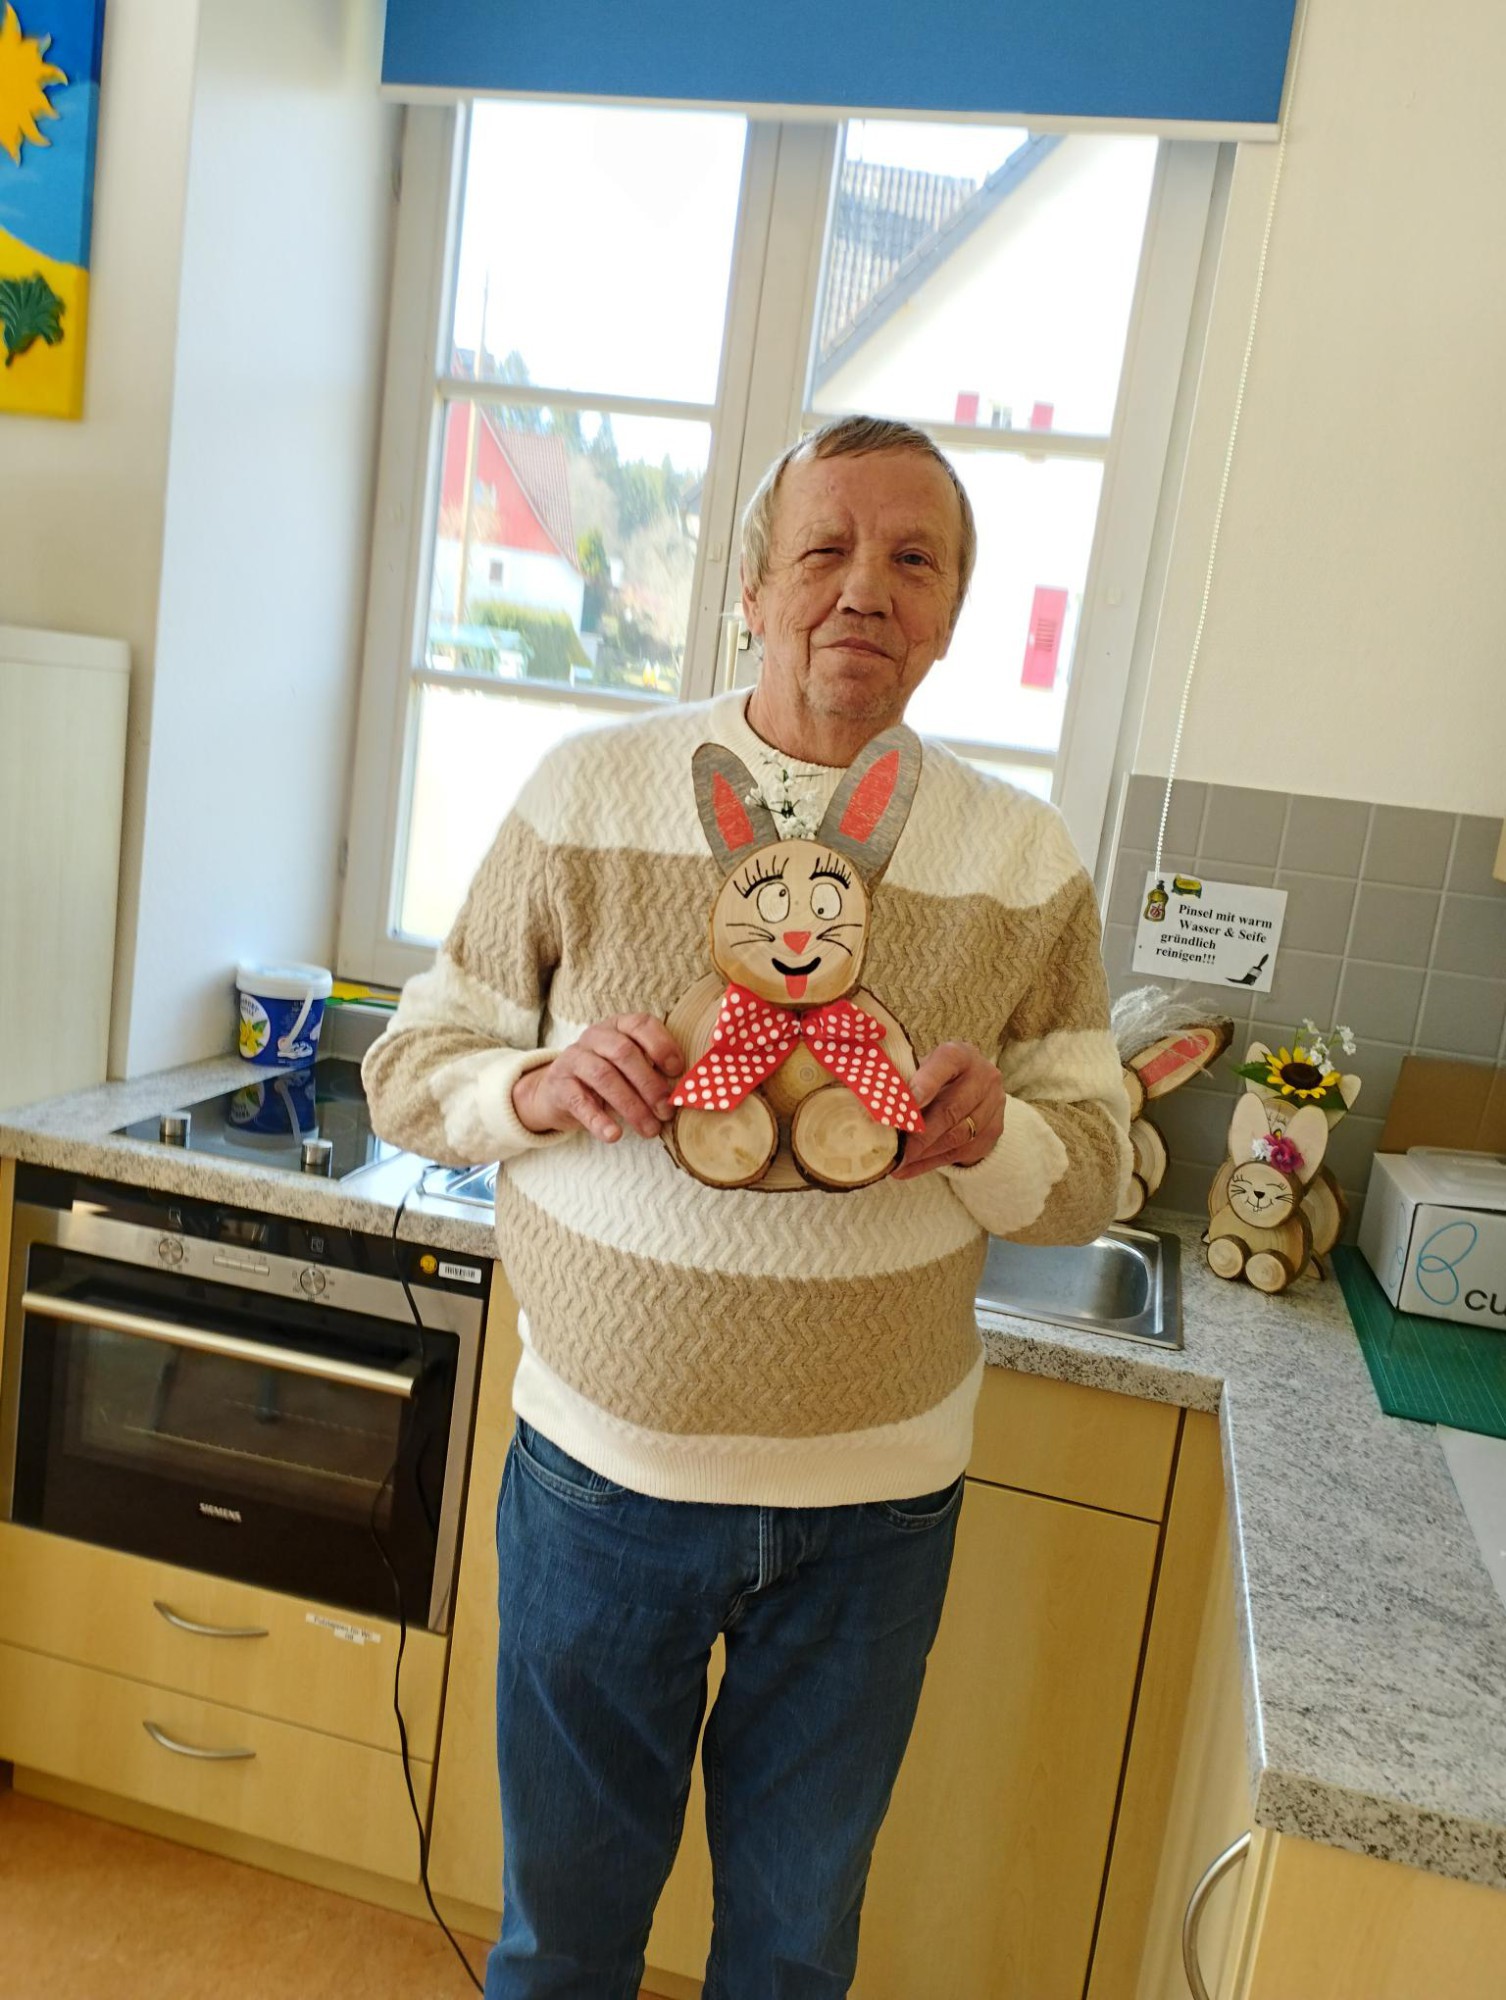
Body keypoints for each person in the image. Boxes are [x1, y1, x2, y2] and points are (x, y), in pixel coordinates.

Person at [362, 414, 1130, 1999]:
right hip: (601, 1482)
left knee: (790, 1956)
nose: (865, 590)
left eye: (913, 559)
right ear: (754, 587)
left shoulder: (1021, 858)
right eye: (824, 549)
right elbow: (408, 1070)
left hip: (875, 1513)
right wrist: (539, 1087)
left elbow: (1101, 1166)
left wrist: (993, 1139)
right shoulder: (587, 793)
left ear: (952, 608)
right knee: (562, 1946)